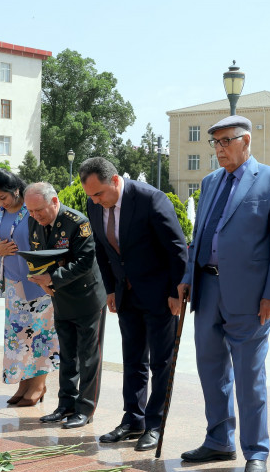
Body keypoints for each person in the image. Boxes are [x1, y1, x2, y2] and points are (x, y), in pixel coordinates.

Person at [177, 116, 270, 472]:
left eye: (227, 141)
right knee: (211, 369)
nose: (220, 149)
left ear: (246, 140)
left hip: (250, 296)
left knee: (249, 374)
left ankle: (256, 451)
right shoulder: (210, 182)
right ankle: (218, 440)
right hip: (207, 289)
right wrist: (187, 278)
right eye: (216, 143)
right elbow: (199, 235)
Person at [79, 157, 188, 452]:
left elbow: (177, 248)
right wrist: (111, 289)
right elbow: (101, 249)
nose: (95, 200)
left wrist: (176, 292)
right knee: (133, 360)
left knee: (161, 362)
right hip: (126, 295)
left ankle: (155, 424)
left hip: (160, 294)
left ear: (115, 181)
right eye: (91, 195)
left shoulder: (151, 199)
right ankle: (133, 420)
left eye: (99, 193)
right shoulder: (94, 203)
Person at [23, 182, 106, 429]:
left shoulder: (77, 223)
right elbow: (39, 255)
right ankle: (66, 405)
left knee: (88, 357)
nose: (35, 216)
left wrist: (51, 278)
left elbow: (85, 261)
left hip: (86, 297)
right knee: (67, 355)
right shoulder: (33, 221)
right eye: (30, 211)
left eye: (39, 210)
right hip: (59, 296)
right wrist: (41, 280)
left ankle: (86, 409)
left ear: (54, 201)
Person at [0, 168, 58, 407]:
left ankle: (38, 385)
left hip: (38, 282)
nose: (0, 203)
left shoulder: (32, 208)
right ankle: (23, 384)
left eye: (3, 197)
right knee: (19, 337)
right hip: (13, 284)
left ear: (16, 190)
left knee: (40, 336)